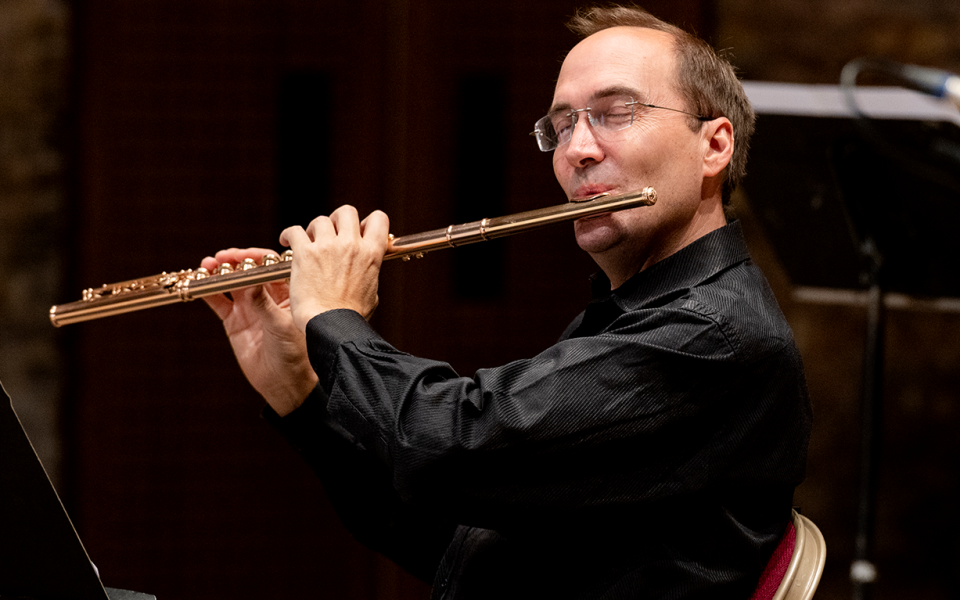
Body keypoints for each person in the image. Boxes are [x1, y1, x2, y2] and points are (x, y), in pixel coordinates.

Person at [202, 5, 812, 599]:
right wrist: (301, 394)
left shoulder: (707, 336)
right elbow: (453, 543)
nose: (577, 151)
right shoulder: (631, 316)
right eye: (563, 125)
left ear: (714, 145)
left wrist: (332, 319)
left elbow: (454, 442)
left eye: (615, 113)